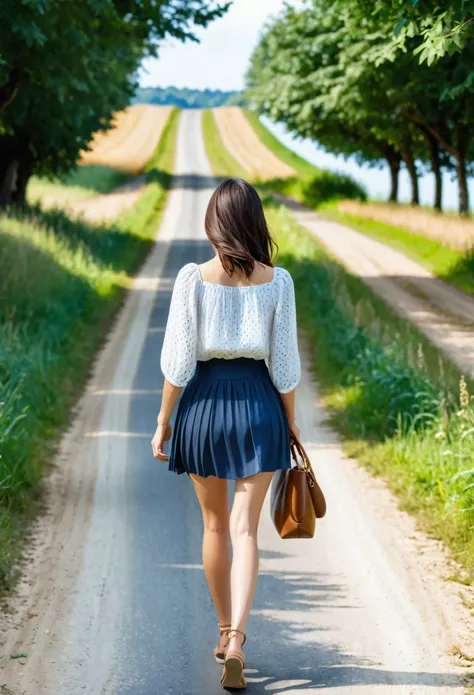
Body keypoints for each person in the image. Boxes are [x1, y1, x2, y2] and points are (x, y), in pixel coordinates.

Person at [151, 178, 301, 690]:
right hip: (260, 408)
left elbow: (177, 360)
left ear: (213, 223)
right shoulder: (278, 281)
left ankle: (221, 631)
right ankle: (238, 635)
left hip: (204, 407)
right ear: (255, 222)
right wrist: (292, 421)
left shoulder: (192, 278)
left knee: (214, 527)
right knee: (245, 530)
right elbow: (284, 366)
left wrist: (164, 420)